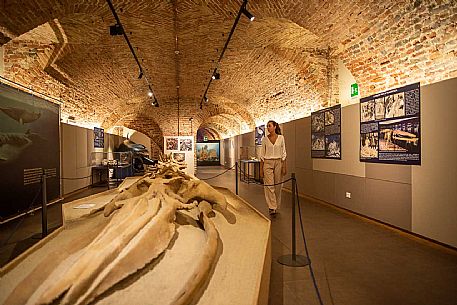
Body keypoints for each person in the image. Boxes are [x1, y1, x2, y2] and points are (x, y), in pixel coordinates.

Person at [259, 120, 287, 215]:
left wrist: (284, 166)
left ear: (275, 127)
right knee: (269, 186)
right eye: (267, 126)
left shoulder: (281, 138)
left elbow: (284, 153)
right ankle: (272, 207)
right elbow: (262, 155)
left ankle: (276, 204)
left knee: (278, 185)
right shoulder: (264, 140)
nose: (268, 127)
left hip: (278, 162)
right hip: (268, 163)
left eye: (270, 126)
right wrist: (261, 170)